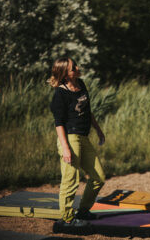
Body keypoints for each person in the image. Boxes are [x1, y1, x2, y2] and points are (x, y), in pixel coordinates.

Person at [48, 57, 106, 228]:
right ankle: (67, 219)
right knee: (70, 180)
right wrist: (66, 148)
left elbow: (87, 111)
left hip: (83, 137)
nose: (78, 68)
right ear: (66, 74)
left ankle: (83, 211)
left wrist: (98, 129)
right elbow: (59, 123)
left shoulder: (80, 83)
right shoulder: (60, 93)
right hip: (69, 138)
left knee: (98, 177)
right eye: (74, 67)